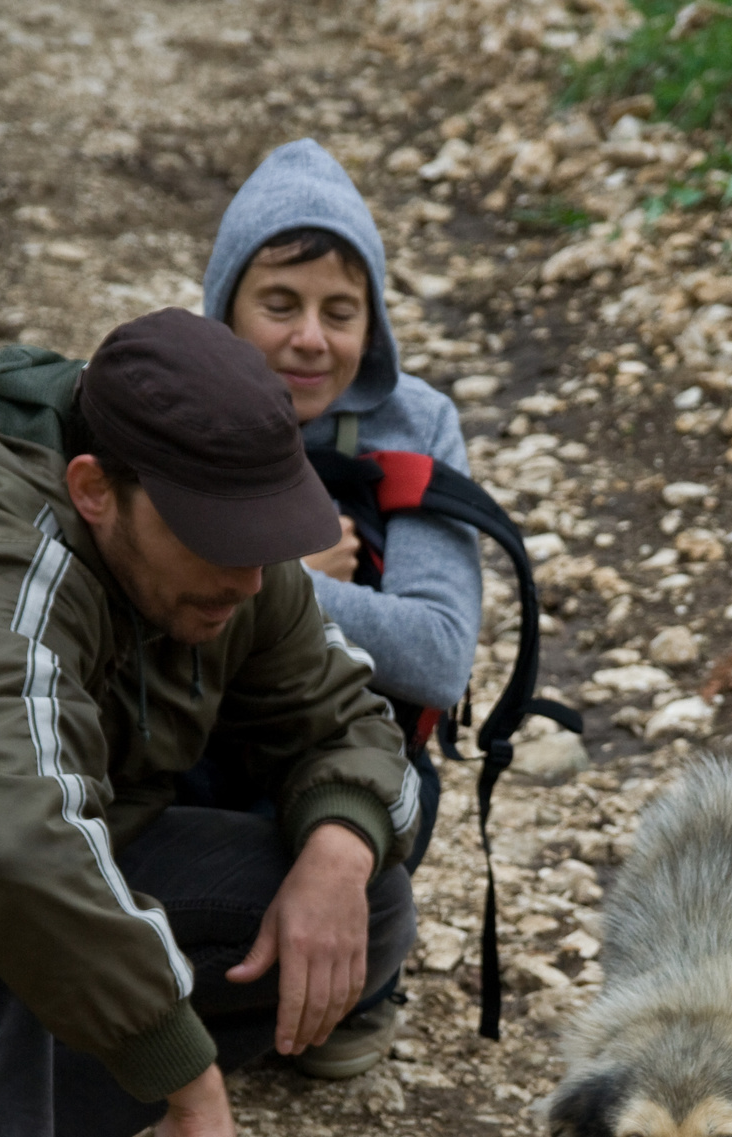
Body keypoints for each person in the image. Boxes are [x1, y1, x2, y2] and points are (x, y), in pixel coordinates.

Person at [0, 307, 419, 1137]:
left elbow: (355, 723)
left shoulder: (235, 565)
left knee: (350, 911)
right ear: (94, 491)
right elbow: (15, 837)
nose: (251, 574)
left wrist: (341, 849)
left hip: (45, 846)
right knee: (26, 869)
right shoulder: (7, 564)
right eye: (220, 536)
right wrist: (183, 1073)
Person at [201, 138, 482, 1077]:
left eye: (340, 311)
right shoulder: (169, 401)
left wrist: (275, 581)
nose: (310, 339)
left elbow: (440, 655)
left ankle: (357, 977)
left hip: (355, 762)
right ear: (226, 308)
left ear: (375, 321)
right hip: (185, 744)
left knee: (373, 827)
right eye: (278, 305)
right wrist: (292, 569)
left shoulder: (417, 424)